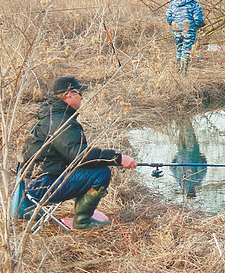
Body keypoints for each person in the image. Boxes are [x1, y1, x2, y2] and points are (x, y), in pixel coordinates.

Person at [20, 76, 137, 229]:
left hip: (37, 181)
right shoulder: (61, 120)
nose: (82, 97)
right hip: (42, 186)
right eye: (79, 93)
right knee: (101, 173)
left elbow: (72, 154)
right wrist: (118, 158)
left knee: (92, 168)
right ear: (69, 94)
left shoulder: (52, 114)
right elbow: (78, 156)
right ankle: (82, 221)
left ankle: (83, 215)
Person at [165, 0, 204, 74]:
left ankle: (178, 70)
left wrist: (173, 24)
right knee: (186, 51)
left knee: (179, 50)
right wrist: (197, 26)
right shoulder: (193, 3)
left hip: (177, 30)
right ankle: (183, 73)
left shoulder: (173, 3)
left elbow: (168, 15)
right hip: (189, 31)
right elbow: (198, 19)